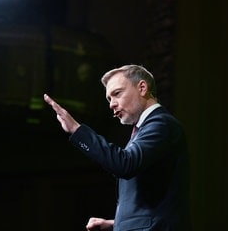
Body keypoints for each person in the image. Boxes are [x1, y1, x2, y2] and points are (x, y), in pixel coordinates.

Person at [44, 64, 191, 231]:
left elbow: (124, 164)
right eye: (109, 99)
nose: (111, 105)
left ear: (142, 88)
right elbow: (155, 199)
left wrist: (77, 130)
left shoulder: (161, 124)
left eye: (117, 94)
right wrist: (115, 223)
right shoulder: (147, 129)